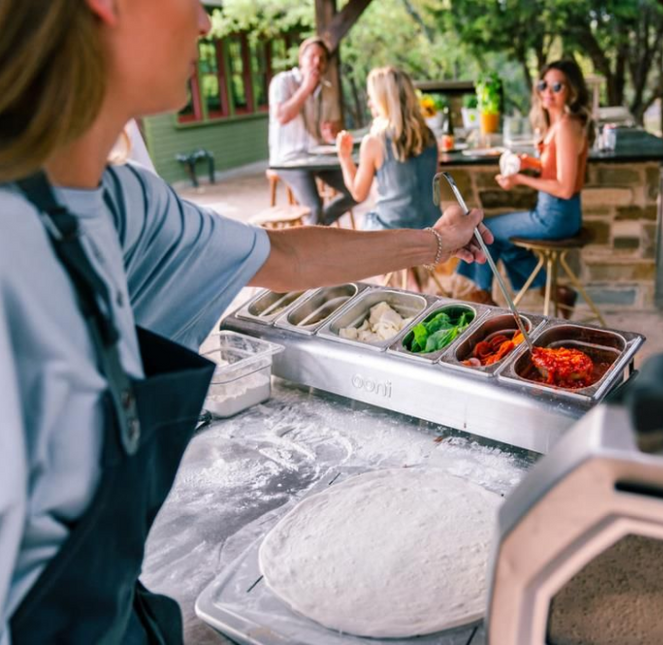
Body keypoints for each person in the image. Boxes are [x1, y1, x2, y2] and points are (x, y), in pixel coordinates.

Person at [0, 2, 492, 644]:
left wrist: (434, 241)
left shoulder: (126, 204)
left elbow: (286, 255)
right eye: (195, 2)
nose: (205, 23)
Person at [457, 59, 594, 313]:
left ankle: (482, 297)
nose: (547, 92)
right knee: (504, 240)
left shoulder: (566, 126)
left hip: (556, 216)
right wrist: (527, 162)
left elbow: (564, 187)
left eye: (557, 87)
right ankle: (555, 292)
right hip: (556, 214)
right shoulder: (558, 124)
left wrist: (519, 179)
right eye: (543, 85)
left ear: (572, 91)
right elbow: (553, 163)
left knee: (484, 231)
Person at [335, 66, 441, 231]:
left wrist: (344, 157)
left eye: (372, 98)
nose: (369, 103)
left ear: (384, 100)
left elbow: (358, 194)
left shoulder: (374, 142)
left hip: (393, 230)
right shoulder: (429, 137)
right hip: (431, 229)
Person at [268, 36, 357, 225]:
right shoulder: (282, 82)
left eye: (322, 58)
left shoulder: (327, 90)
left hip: (317, 156)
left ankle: (319, 225)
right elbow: (282, 116)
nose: (317, 62)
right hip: (289, 159)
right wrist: (306, 88)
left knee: (357, 190)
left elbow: (332, 128)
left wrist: (331, 133)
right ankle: (315, 231)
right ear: (301, 59)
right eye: (312, 57)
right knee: (314, 207)